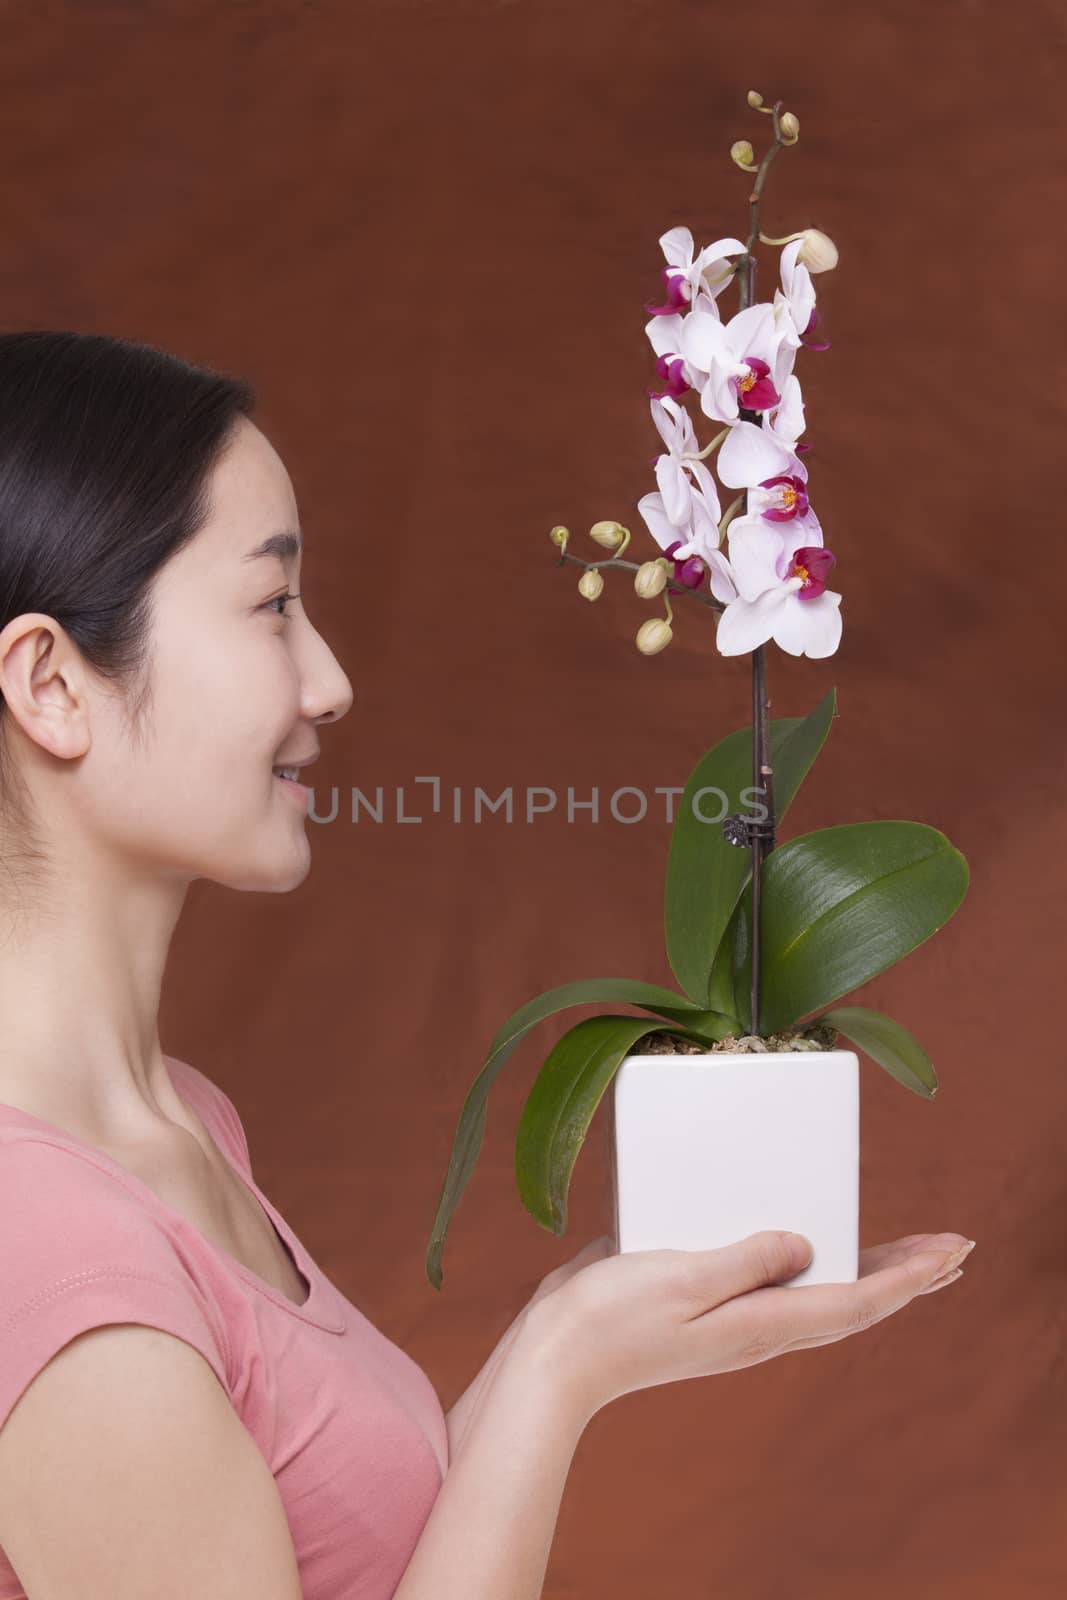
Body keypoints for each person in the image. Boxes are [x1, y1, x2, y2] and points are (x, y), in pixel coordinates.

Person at [0, 330, 975, 1600]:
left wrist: (574, 1345)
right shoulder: (47, 1245)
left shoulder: (183, 1126)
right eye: (271, 604)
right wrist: (560, 1366)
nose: (332, 681)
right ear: (52, 683)